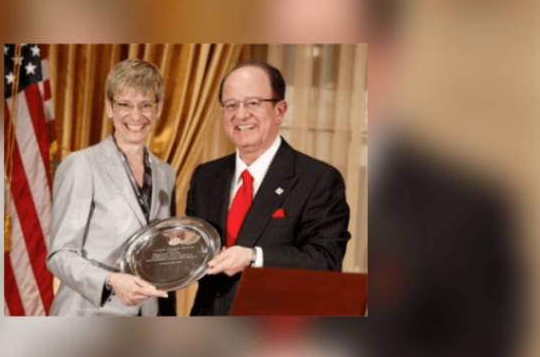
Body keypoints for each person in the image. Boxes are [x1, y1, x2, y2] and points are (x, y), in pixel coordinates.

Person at [186, 60, 352, 316]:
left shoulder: (318, 179)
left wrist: (254, 257)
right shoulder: (206, 176)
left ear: (280, 110)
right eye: (231, 105)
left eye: (253, 103)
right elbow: (194, 252)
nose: (240, 115)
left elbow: (325, 261)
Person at [47, 58, 175, 316]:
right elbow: (60, 255)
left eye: (145, 105)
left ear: (158, 109)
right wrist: (111, 281)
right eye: (124, 105)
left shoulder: (166, 173)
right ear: (109, 108)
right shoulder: (81, 164)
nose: (136, 116)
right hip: (87, 314)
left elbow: (155, 247)